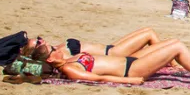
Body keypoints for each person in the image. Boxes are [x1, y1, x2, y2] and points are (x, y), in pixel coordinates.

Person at [37, 38, 190, 86]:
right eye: (52, 51)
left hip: (129, 61)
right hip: (132, 70)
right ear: (49, 59)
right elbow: (97, 79)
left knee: (171, 41)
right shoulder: (70, 68)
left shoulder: (69, 59)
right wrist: (130, 81)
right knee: (176, 46)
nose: (56, 49)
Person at [23, 27, 167, 61]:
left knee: (147, 30)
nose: (42, 40)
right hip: (112, 53)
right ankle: (174, 66)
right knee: (150, 34)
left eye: (39, 38)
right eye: (38, 42)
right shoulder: (60, 54)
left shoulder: (56, 48)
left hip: (110, 47)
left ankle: (169, 62)